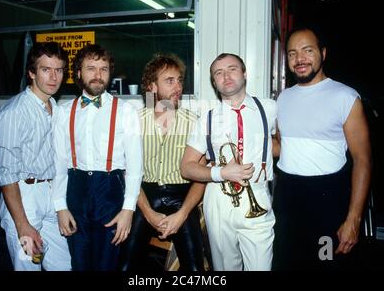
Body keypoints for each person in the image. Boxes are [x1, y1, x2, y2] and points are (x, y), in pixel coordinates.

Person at [272, 27, 372, 270]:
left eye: (308, 50)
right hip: (287, 198)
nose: (300, 59)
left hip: (327, 199)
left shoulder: (345, 97)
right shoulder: (283, 98)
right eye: (293, 53)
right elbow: (282, 148)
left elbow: (363, 161)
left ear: (323, 53)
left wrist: (354, 220)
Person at [180, 53, 277, 271]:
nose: (226, 76)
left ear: (244, 73)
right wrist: (221, 172)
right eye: (219, 73)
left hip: (258, 196)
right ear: (214, 82)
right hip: (220, 200)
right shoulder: (207, 119)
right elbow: (186, 166)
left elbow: (281, 143)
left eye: (232, 69)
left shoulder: (269, 108)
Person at [52, 44, 143, 271]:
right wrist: (60, 206)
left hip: (110, 194)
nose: (98, 75)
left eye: (103, 69)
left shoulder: (126, 111)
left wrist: (128, 210)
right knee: (80, 264)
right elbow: (59, 163)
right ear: (79, 73)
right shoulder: (64, 111)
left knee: (107, 265)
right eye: (91, 68)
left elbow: (135, 166)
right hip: (76, 192)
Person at [119, 54, 206, 271]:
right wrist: (148, 213)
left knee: (195, 269)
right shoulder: (135, 121)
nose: (178, 86)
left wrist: (183, 214)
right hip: (144, 197)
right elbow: (126, 172)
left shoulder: (194, 122)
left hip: (182, 199)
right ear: (152, 87)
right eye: (170, 80)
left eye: (179, 80)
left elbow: (202, 177)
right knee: (125, 266)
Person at [0, 42, 71, 271]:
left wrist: (60, 205)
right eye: (46, 69)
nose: (53, 76)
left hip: (50, 195)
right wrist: (22, 224)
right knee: (28, 267)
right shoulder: (14, 112)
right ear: (31, 73)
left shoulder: (54, 107)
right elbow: (6, 175)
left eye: (58, 70)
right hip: (23, 197)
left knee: (64, 266)